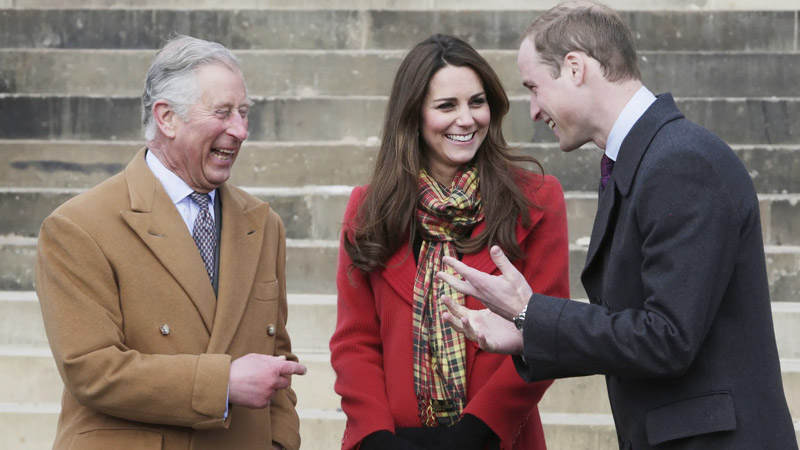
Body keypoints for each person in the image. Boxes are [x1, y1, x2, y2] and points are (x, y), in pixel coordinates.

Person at [438, 2, 797, 449]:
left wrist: (533, 313)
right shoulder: (645, 158)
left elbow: (666, 339)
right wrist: (529, 334)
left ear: (574, 68)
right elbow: (636, 328)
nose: (532, 109)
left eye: (534, 87)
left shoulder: (682, 161)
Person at [35, 35, 306, 450]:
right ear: (167, 118)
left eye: (244, 113)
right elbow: (92, 370)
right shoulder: (78, 226)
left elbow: (278, 361)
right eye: (223, 113)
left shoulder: (264, 225)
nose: (241, 130)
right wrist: (224, 383)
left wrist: (282, 443)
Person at [328, 34, 570, 450]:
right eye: (446, 106)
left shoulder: (538, 200)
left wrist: (477, 432)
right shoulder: (368, 209)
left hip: (494, 438)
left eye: (477, 102)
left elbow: (547, 334)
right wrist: (375, 438)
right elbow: (355, 342)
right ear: (414, 116)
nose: (467, 119)